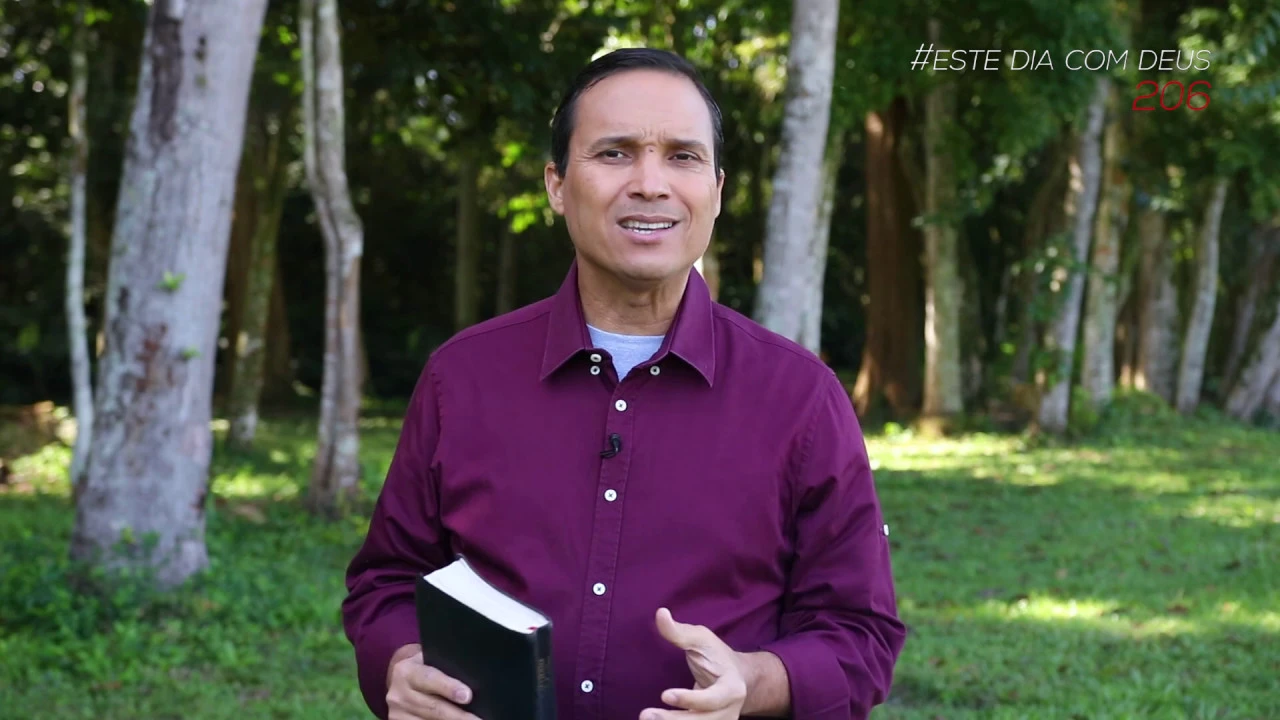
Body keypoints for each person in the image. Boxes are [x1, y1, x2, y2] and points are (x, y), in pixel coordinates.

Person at [341, 47, 906, 720]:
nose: (650, 183)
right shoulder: (462, 379)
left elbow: (861, 635)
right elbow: (386, 583)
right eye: (614, 153)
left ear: (717, 191)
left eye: (683, 156)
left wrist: (750, 680)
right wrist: (401, 663)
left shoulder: (801, 398)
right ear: (556, 185)